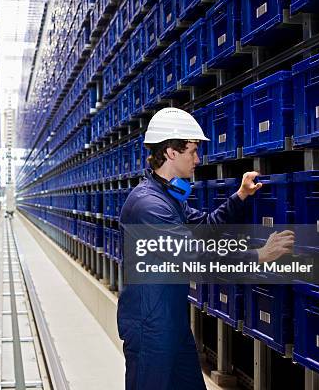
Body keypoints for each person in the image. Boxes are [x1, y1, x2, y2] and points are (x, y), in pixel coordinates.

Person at [117, 107, 294, 390]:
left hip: (172, 320)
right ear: (172, 153)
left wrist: (240, 196)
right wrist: (259, 255)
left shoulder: (168, 195)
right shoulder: (148, 205)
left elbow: (206, 225)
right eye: (193, 151)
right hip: (150, 326)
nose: (198, 159)